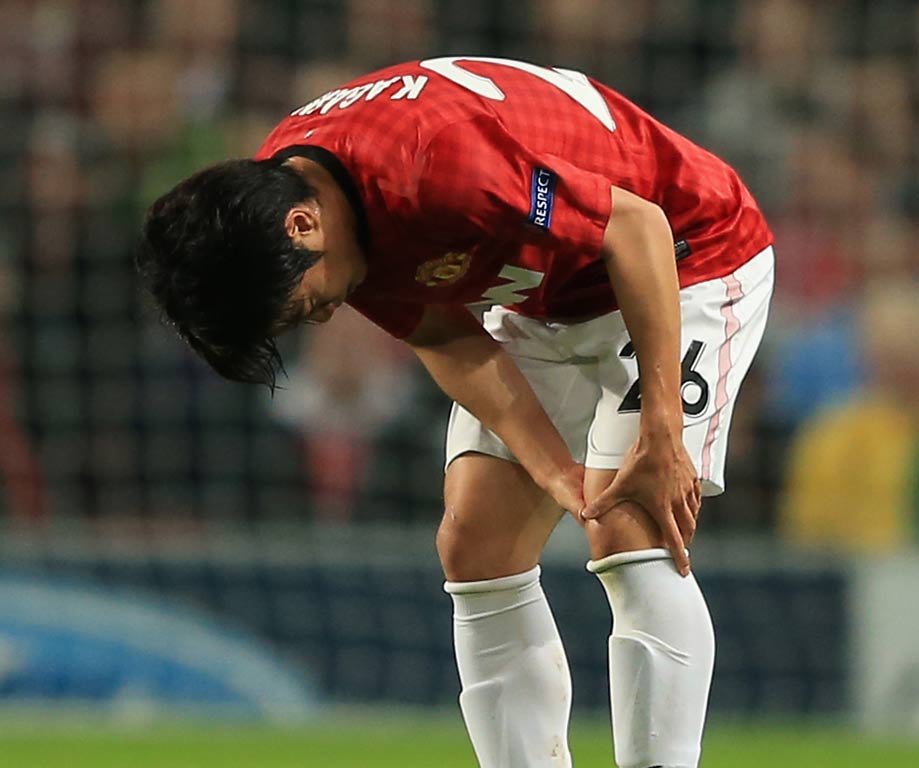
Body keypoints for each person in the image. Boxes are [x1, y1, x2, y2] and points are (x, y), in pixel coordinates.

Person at [136, 56, 774, 768]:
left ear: (303, 224)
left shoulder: (435, 167)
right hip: (545, 295)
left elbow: (635, 226)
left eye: (300, 303)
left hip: (686, 253)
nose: (313, 320)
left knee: (630, 520)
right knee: (475, 544)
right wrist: (550, 469)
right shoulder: (287, 205)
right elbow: (439, 329)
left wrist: (662, 423)